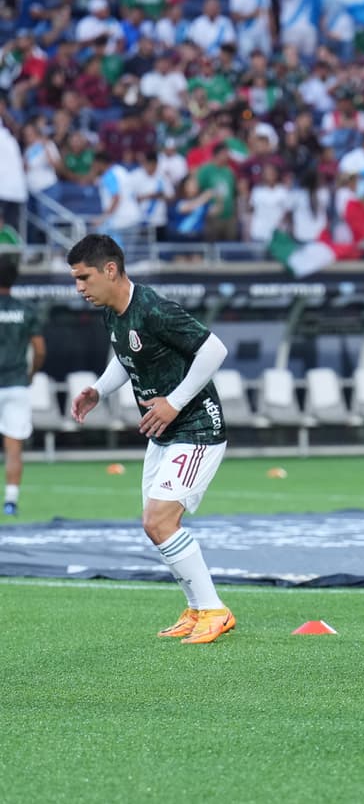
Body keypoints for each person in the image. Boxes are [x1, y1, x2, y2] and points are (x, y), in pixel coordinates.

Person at [67, 234, 234, 644]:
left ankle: (215, 609)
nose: (79, 288)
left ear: (110, 270)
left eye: (84, 277)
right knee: (156, 526)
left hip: (197, 428)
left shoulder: (153, 308)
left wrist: (175, 403)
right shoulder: (113, 312)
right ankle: (197, 609)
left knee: (159, 521)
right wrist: (99, 390)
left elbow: (214, 350)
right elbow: (126, 359)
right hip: (163, 434)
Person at [0, 257, 46, 515]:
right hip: (17, 384)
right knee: (13, 447)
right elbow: (39, 350)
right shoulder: (26, 310)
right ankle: (10, 501)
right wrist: (31, 372)